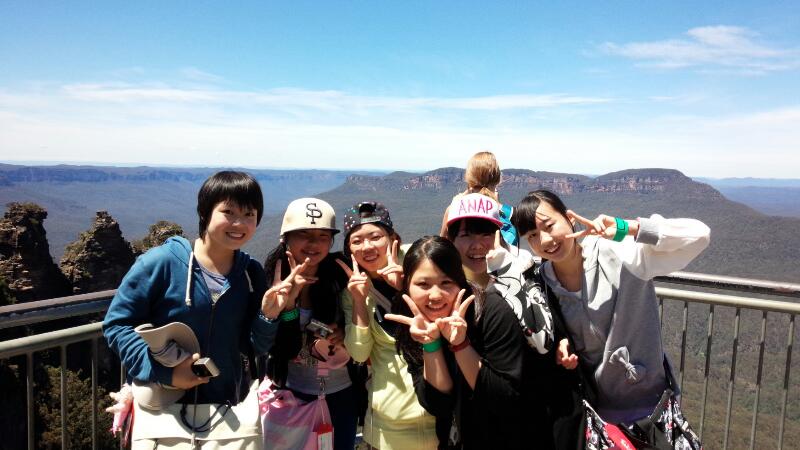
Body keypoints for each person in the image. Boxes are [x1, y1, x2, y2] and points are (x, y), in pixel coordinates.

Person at [103, 171, 280, 448]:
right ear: (205, 212)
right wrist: (166, 373)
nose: (239, 223)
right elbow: (117, 326)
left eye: (249, 214)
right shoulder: (161, 263)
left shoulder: (250, 273)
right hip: (162, 413)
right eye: (228, 212)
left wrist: (268, 315)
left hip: (225, 417)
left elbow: (254, 346)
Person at [511, 189, 711, 424]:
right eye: (532, 236)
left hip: (651, 405)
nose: (544, 240)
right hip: (597, 412)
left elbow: (700, 235)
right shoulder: (543, 284)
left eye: (549, 226)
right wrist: (562, 345)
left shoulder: (618, 252)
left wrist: (628, 228)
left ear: (569, 218)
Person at [443, 193, 576, 449]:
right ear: (451, 240)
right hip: (474, 428)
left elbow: (551, 328)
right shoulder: (446, 292)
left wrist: (562, 342)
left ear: (501, 235)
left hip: (529, 427)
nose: (477, 245)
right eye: (466, 234)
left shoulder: (528, 279)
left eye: (486, 233)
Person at [386, 236, 532, 449]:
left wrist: (461, 345)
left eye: (446, 282)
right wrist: (431, 344)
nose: (435, 295)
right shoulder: (413, 322)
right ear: (407, 284)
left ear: (460, 281)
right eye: (423, 284)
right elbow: (438, 405)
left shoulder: (492, 312)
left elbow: (503, 399)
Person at [337, 201, 438, 449]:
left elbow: (442, 322)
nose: (367, 247)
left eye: (375, 237)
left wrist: (403, 288)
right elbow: (359, 353)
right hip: (387, 424)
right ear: (349, 250)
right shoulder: (351, 291)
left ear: (393, 238)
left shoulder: (420, 263)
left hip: (438, 411)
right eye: (357, 241)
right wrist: (359, 301)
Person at [262, 197, 360, 450]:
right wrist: (289, 305)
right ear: (285, 238)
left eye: (323, 236)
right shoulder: (272, 281)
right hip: (292, 395)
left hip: (342, 394)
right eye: (303, 234)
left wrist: (345, 333)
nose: (314, 244)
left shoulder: (341, 275)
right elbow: (280, 349)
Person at [439, 151, 518, 247]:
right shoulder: (510, 213)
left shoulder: (453, 209)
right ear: (498, 178)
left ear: (469, 178)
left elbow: (441, 246)